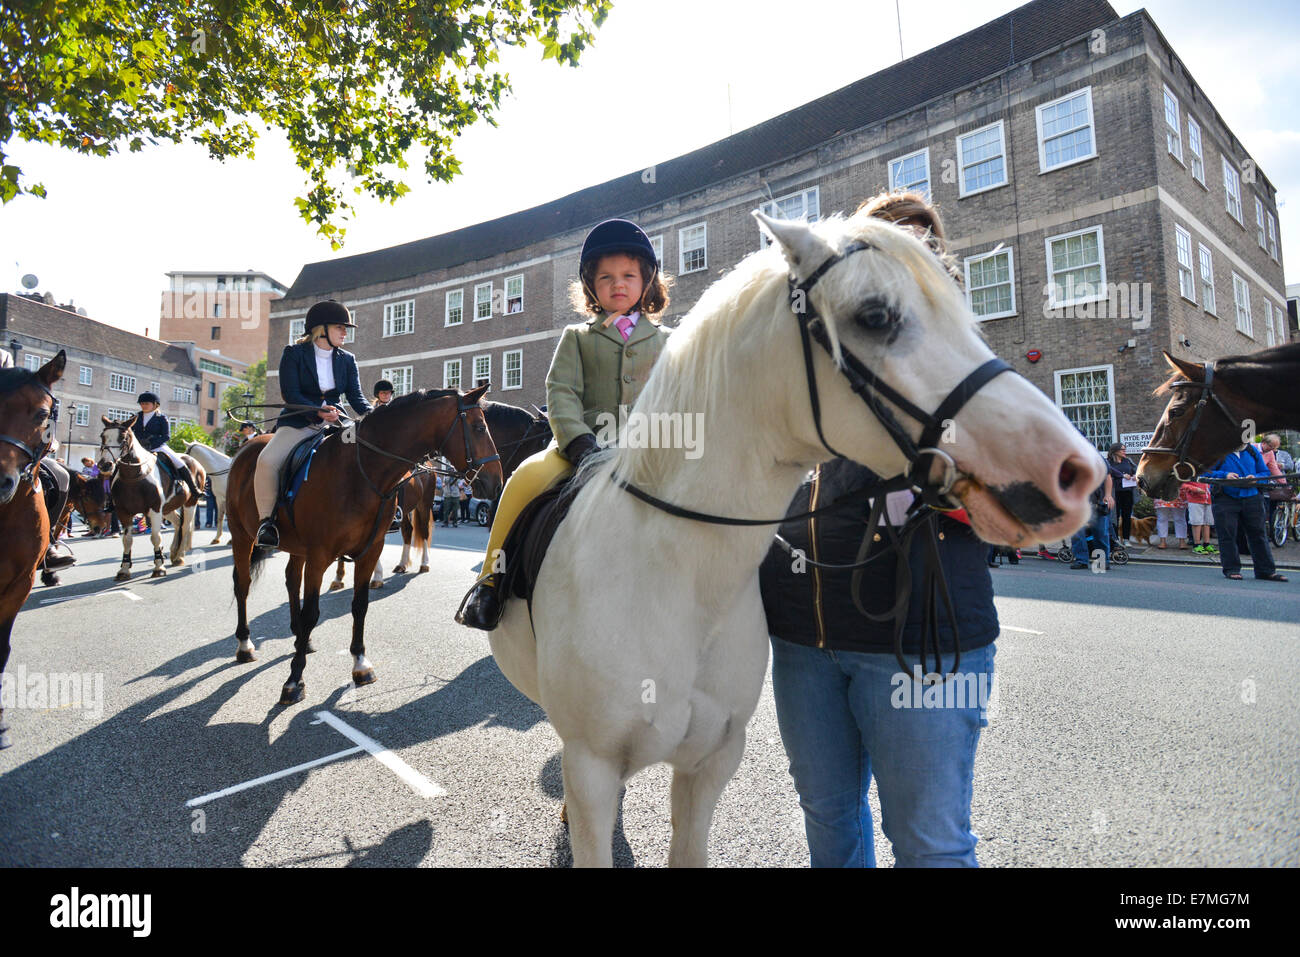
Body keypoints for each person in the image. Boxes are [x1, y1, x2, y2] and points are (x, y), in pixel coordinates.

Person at [759, 190, 999, 868]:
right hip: (805, 637)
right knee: (830, 819)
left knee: (929, 844)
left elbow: (992, 491)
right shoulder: (824, 356)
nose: (910, 247)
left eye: (926, 240)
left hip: (921, 640)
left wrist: (912, 500)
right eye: (890, 236)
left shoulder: (963, 360)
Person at [457, 219, 673, 629]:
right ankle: (490, 583)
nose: (618, 284)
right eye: (605, 277)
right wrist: (579, 444)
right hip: (583, 447)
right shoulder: (576, 336)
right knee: (524, 479)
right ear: (591, 286)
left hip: (654, 448)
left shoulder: (670, 341)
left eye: (629, 275)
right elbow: (561, 392)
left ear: (647, 280)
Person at [253, 299, 371, 549]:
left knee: (371, 453)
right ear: (322, 328)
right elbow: (291, 393)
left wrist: (374, 415)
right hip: (299, 421)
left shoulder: (347, 359)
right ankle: (267, 522)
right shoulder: (293, 353)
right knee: (266, 461)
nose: (345, 332)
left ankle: (385, 511)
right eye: (340, 327)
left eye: (344, 328)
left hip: (338, 422)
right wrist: (318, 411)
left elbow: (356, 397)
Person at [1202, 445, 1287, 582]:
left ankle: (1265, 571)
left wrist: (1256, 477)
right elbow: (1204, 472)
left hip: (1252, 496)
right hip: (1225, 497)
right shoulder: (1218, 452)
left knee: (1258, 534)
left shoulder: (1252, 452)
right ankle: (1231, 569)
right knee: (1227, 535)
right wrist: (1225, 475)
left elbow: (1265, 473)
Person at [131, 392, 200, 499]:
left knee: (179, 462)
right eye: (142, 403)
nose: (143, 405)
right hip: (138, 447)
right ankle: (111, 499)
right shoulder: (136, 417)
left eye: (146, 403)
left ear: (155, 404)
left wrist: (151, 444)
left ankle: (193, 489)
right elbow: (130, 432)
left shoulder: (161, 418)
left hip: (158, 446)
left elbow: (166, 436)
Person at [1070, 453, 1113, 569]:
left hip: (1096, 503)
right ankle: (1081, 560)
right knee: (1077, 534)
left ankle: (1103, 561)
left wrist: (1108, 495)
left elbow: (1107, 476)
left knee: (1100, 533)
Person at [1106, 442, 1138, 544]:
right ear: (1115, 451)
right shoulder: (1108, 462)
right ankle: (1115, 540)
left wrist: (1134, 477)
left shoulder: (1128, 461)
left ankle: (1126, 539)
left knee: (1127, 516)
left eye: (1125, 449)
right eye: (1122, 450)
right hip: (1114, 493)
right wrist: (1122, 475)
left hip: (1127, 492)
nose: (1125, 451)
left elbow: (1136, 471)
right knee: (1114, 517)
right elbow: (1109, 472)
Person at [1183, 479, 1216, 554]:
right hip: (1195, 499)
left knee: (1207, 522)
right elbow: (1182, 484)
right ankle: (1196, 545)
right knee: (1196, 522)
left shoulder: (1208, 471)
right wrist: (1194, 489)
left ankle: (1206, 544)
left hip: (1209, 499)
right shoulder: (1192, 471)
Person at [1153, 485, 1189, 550]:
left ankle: (1182, 541)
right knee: (1162, 518)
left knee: (1180, 518)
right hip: (1162, 491)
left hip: (1178, 491)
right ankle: (1162, 541)